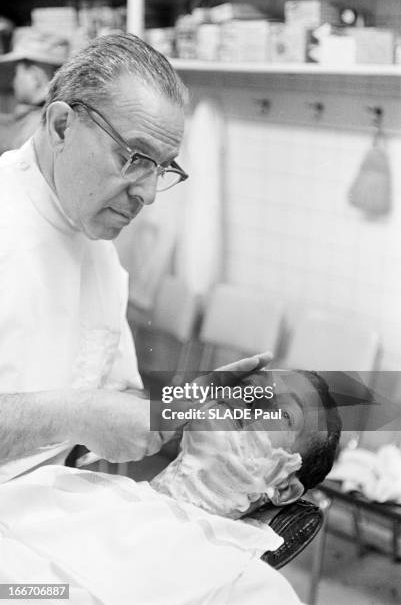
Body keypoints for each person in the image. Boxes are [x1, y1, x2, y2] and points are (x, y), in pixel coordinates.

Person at [0, 32, 272, 483]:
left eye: (163, 168)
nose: (147, 194)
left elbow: (111, 387)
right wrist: (75, 415)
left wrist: (170, 408)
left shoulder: (98, 243)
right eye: (133, 157)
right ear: (61, 126)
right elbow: (83, 411)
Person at [0, 369, 341, 604]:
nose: (252, 400)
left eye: (282, 413)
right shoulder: (68, 486)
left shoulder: (240, 583)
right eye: (250, 388)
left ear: (283, 489)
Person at [0, 29, 69, 153]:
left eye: (16, 73)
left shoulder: (35, 129)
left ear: (34, 77)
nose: (13, 82)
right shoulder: (67, 118)